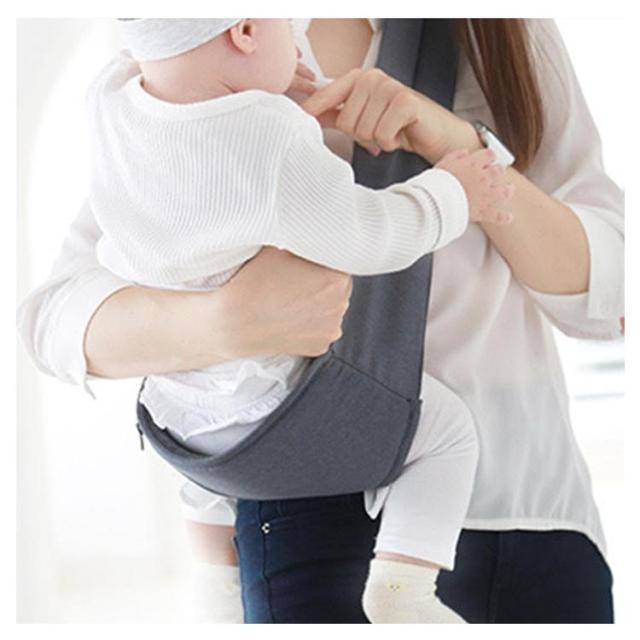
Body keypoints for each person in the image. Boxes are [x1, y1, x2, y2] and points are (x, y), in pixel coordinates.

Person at [17, 18, 623, 623]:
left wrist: (456, 144)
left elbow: (612, 296)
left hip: (540, 516)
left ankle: (217, 578)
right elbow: (54, 319)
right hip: (309, 516)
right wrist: (228, 322)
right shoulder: (210, 64)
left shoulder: (499, 29)